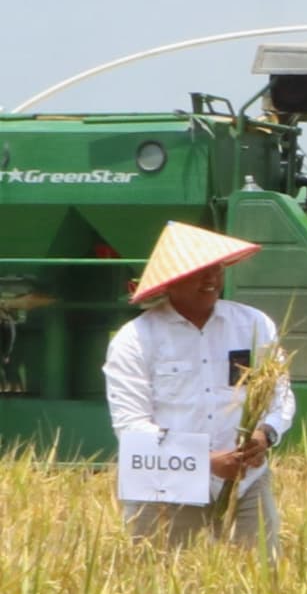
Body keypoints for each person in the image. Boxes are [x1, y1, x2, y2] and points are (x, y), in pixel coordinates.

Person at [103, 220, 294, 555]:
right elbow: (131, 427)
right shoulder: (135, 340)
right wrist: (203, 461)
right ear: (170, 281)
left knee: (262, 580)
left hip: (245, 481)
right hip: (165, 484)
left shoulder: (254, 325)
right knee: (164, 587)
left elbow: (280, 394)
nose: (211, 280)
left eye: (216, 270)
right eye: (198, 272)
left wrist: (265, 434)